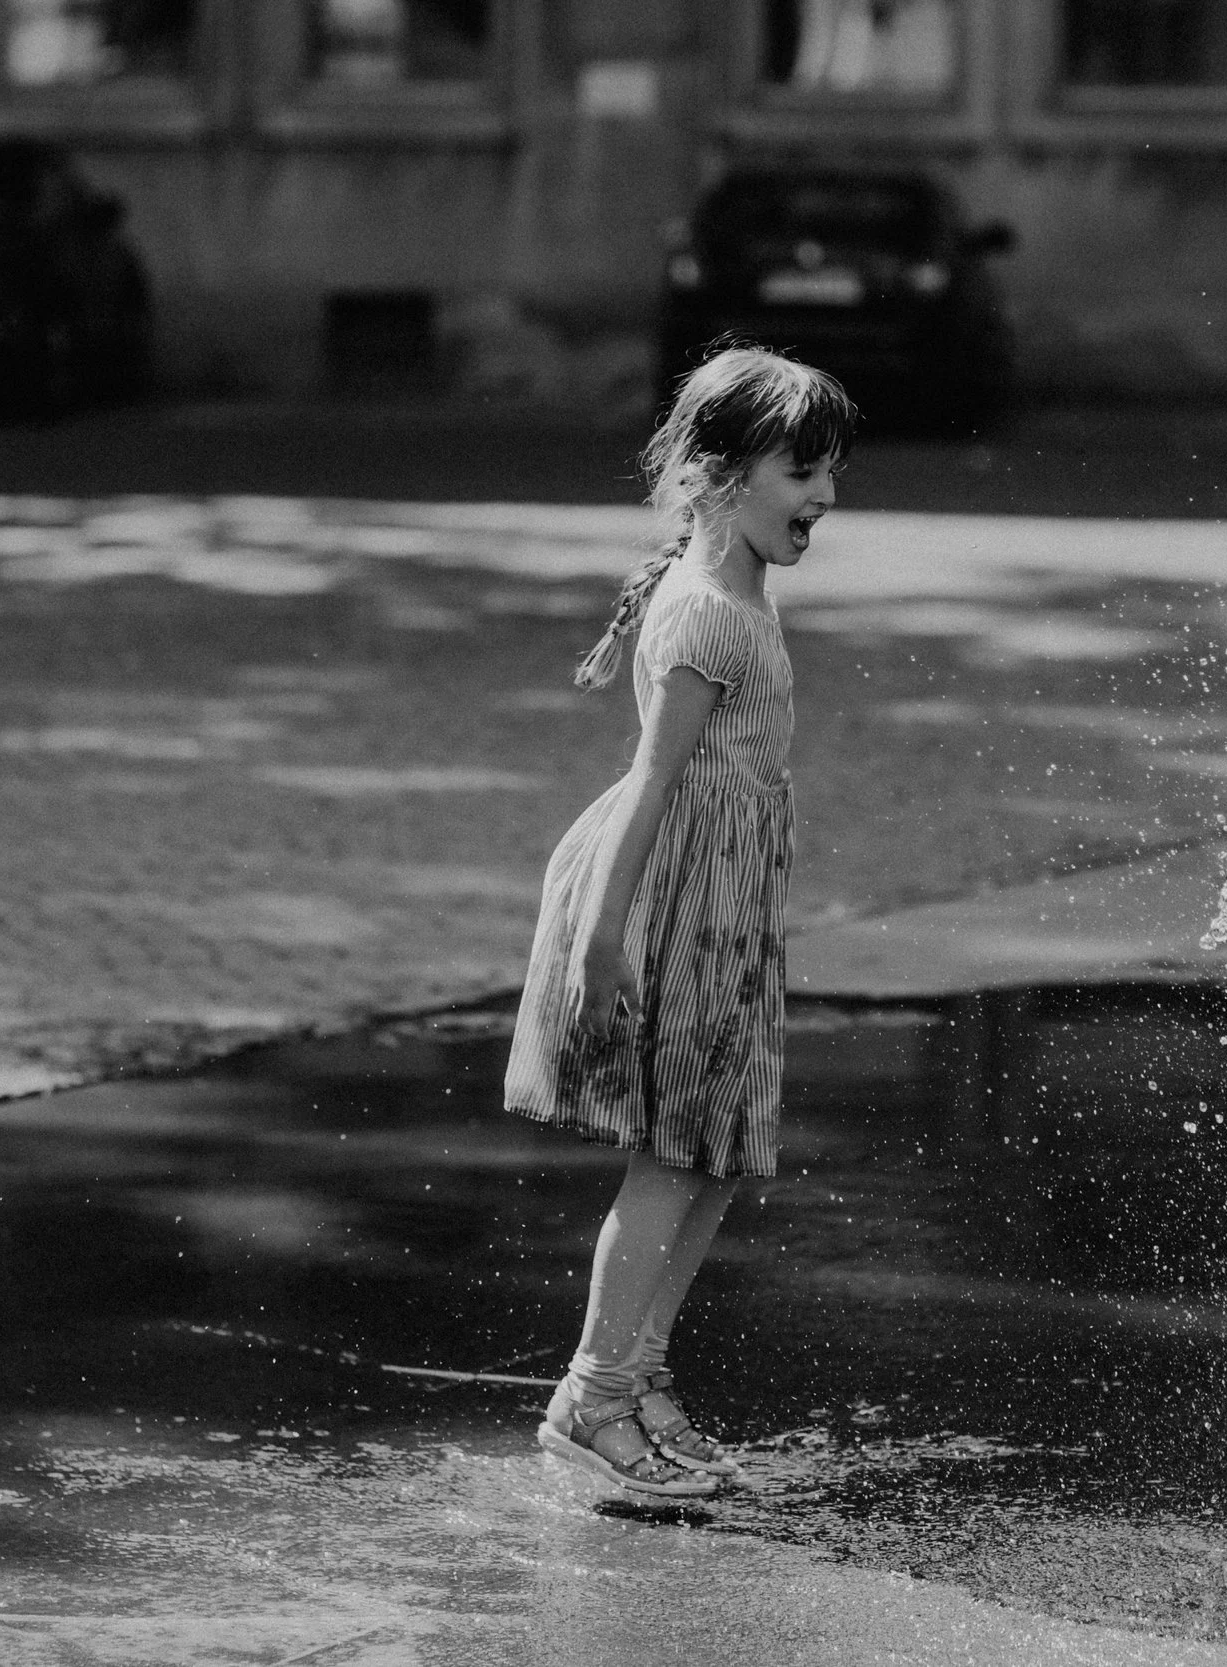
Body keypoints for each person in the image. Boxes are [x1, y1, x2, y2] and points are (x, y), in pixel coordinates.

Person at [505, 346, 855, 1496]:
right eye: (801, 470)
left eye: (830, 471)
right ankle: (590, 1397)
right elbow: (653, 784)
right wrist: (603, 941)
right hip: (675, 898)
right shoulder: (706, 613)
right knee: (669, 1152)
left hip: (727, 901)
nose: (823, 497)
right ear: (717, 472)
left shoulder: (738, 589)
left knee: (712, 1153)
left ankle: (641, 1375)